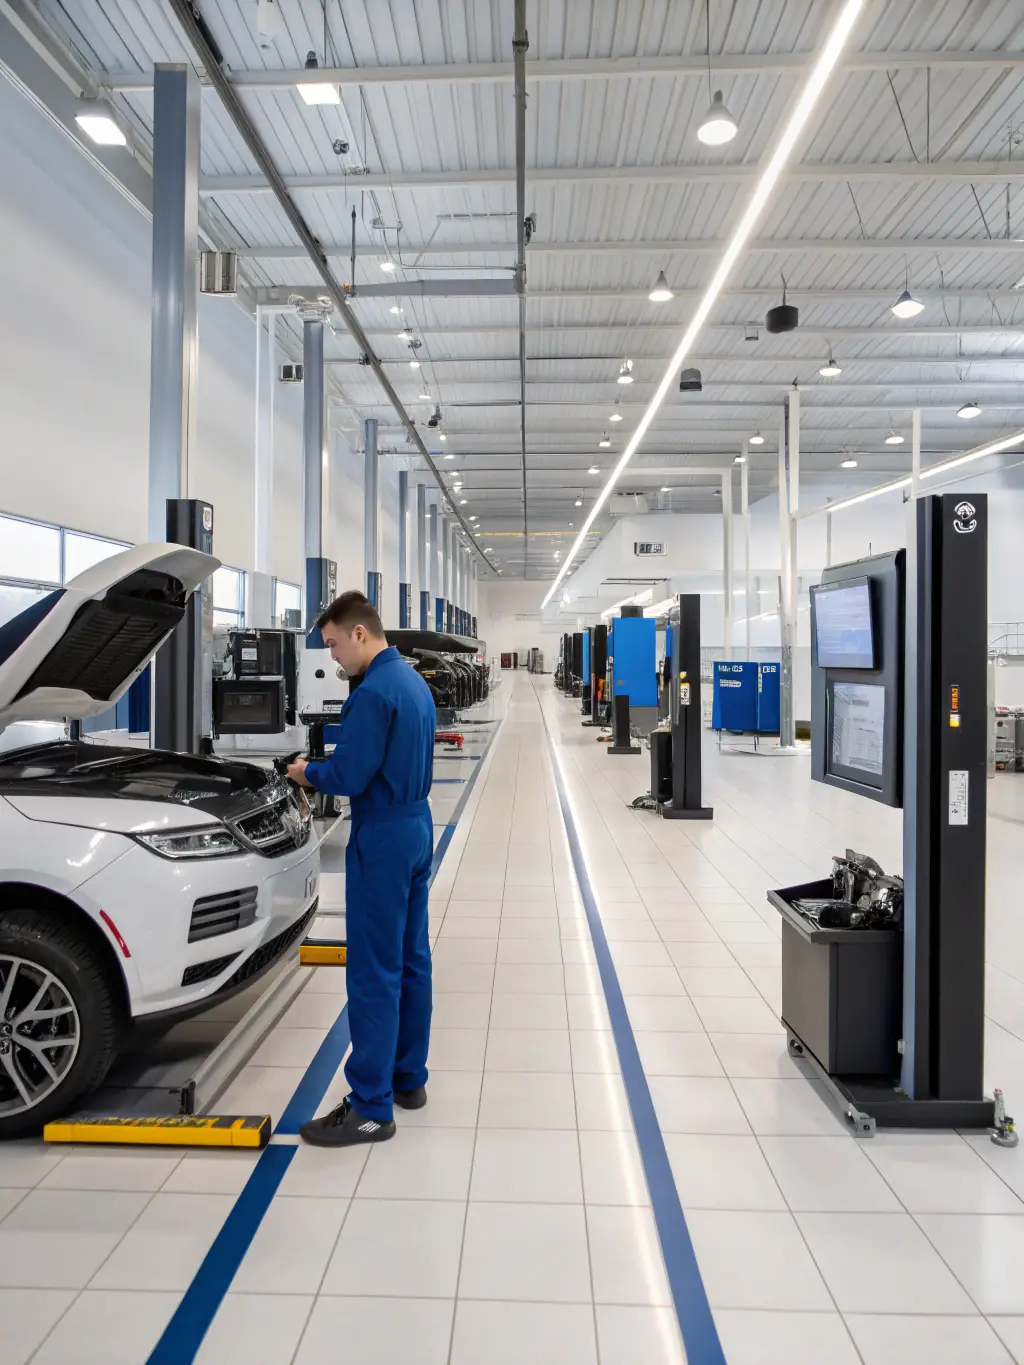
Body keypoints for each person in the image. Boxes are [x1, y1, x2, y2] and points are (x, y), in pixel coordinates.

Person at [287, 591, 436, 1147]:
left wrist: (306, 772)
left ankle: (371, 1106)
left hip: (383, 836)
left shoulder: (371, 693)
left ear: (358, 633)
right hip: (417, 826)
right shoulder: (414, 683)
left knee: (374, 970)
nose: (333, 658)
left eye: (333, 645)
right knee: (411, 959)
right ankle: (408, 1078)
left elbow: (349, 776)